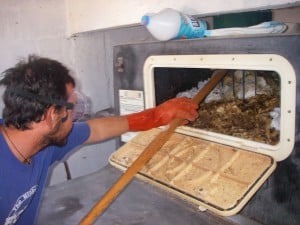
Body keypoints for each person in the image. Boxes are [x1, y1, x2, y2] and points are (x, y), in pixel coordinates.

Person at [0, 55, 198, 225]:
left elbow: (96, 129)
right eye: (73, 110)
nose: (75, 119)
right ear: (52, 115)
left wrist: (157, 115)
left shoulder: (42, 143)